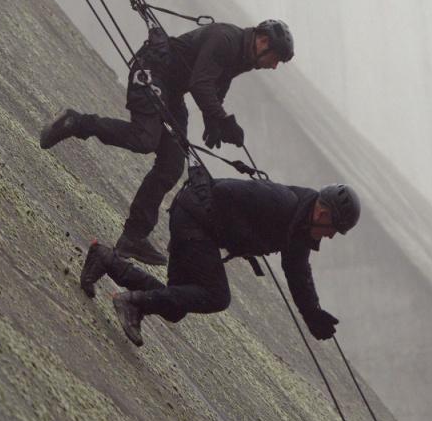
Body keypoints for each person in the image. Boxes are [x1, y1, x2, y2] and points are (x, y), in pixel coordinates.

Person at [39, 20, 295, 266]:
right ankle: (75, 122)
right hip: (152, 70)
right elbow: (200, 84)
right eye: (276, 59)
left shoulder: (243, 54)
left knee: (172, 163)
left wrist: (214, 123)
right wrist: (223, 120)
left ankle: (133, 236)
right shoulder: (226, 40)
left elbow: (217, 85)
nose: (274, 66)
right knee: (144, 138)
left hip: (171, 89)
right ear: (263, 41)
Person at [77, 179, 361, 347]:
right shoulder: (284, 202)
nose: (332, 236)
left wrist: (312, 314)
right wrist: (240, 236)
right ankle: (132, 302)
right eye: (334, 228)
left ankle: (106, 259)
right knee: (217, 296)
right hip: (194, 219)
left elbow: (298, 272)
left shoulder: (299, 227)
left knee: (175, 305)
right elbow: (223, 192)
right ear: (323, 213)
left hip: (197, 224)